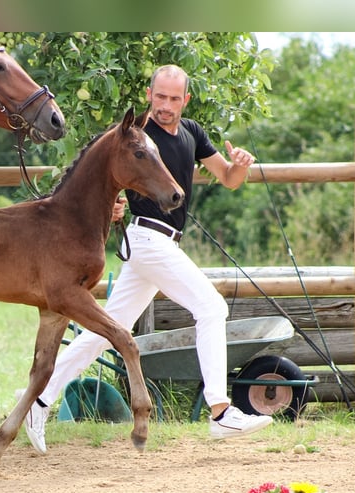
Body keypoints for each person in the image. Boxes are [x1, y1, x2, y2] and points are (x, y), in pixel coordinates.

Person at [15, 64, 273, 454]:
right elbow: (108, 177)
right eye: (160, 97)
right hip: (148, 238)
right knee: (211, 308)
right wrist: (116, 206)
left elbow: (228, 178)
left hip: (164, 242)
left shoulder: (192, 133)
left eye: (174, 98)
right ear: (150, 94)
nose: (166, 106)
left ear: (185, 100)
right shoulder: (138, 136)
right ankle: (220, 411)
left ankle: (37, 400)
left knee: (104, 331)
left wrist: (240, 166)